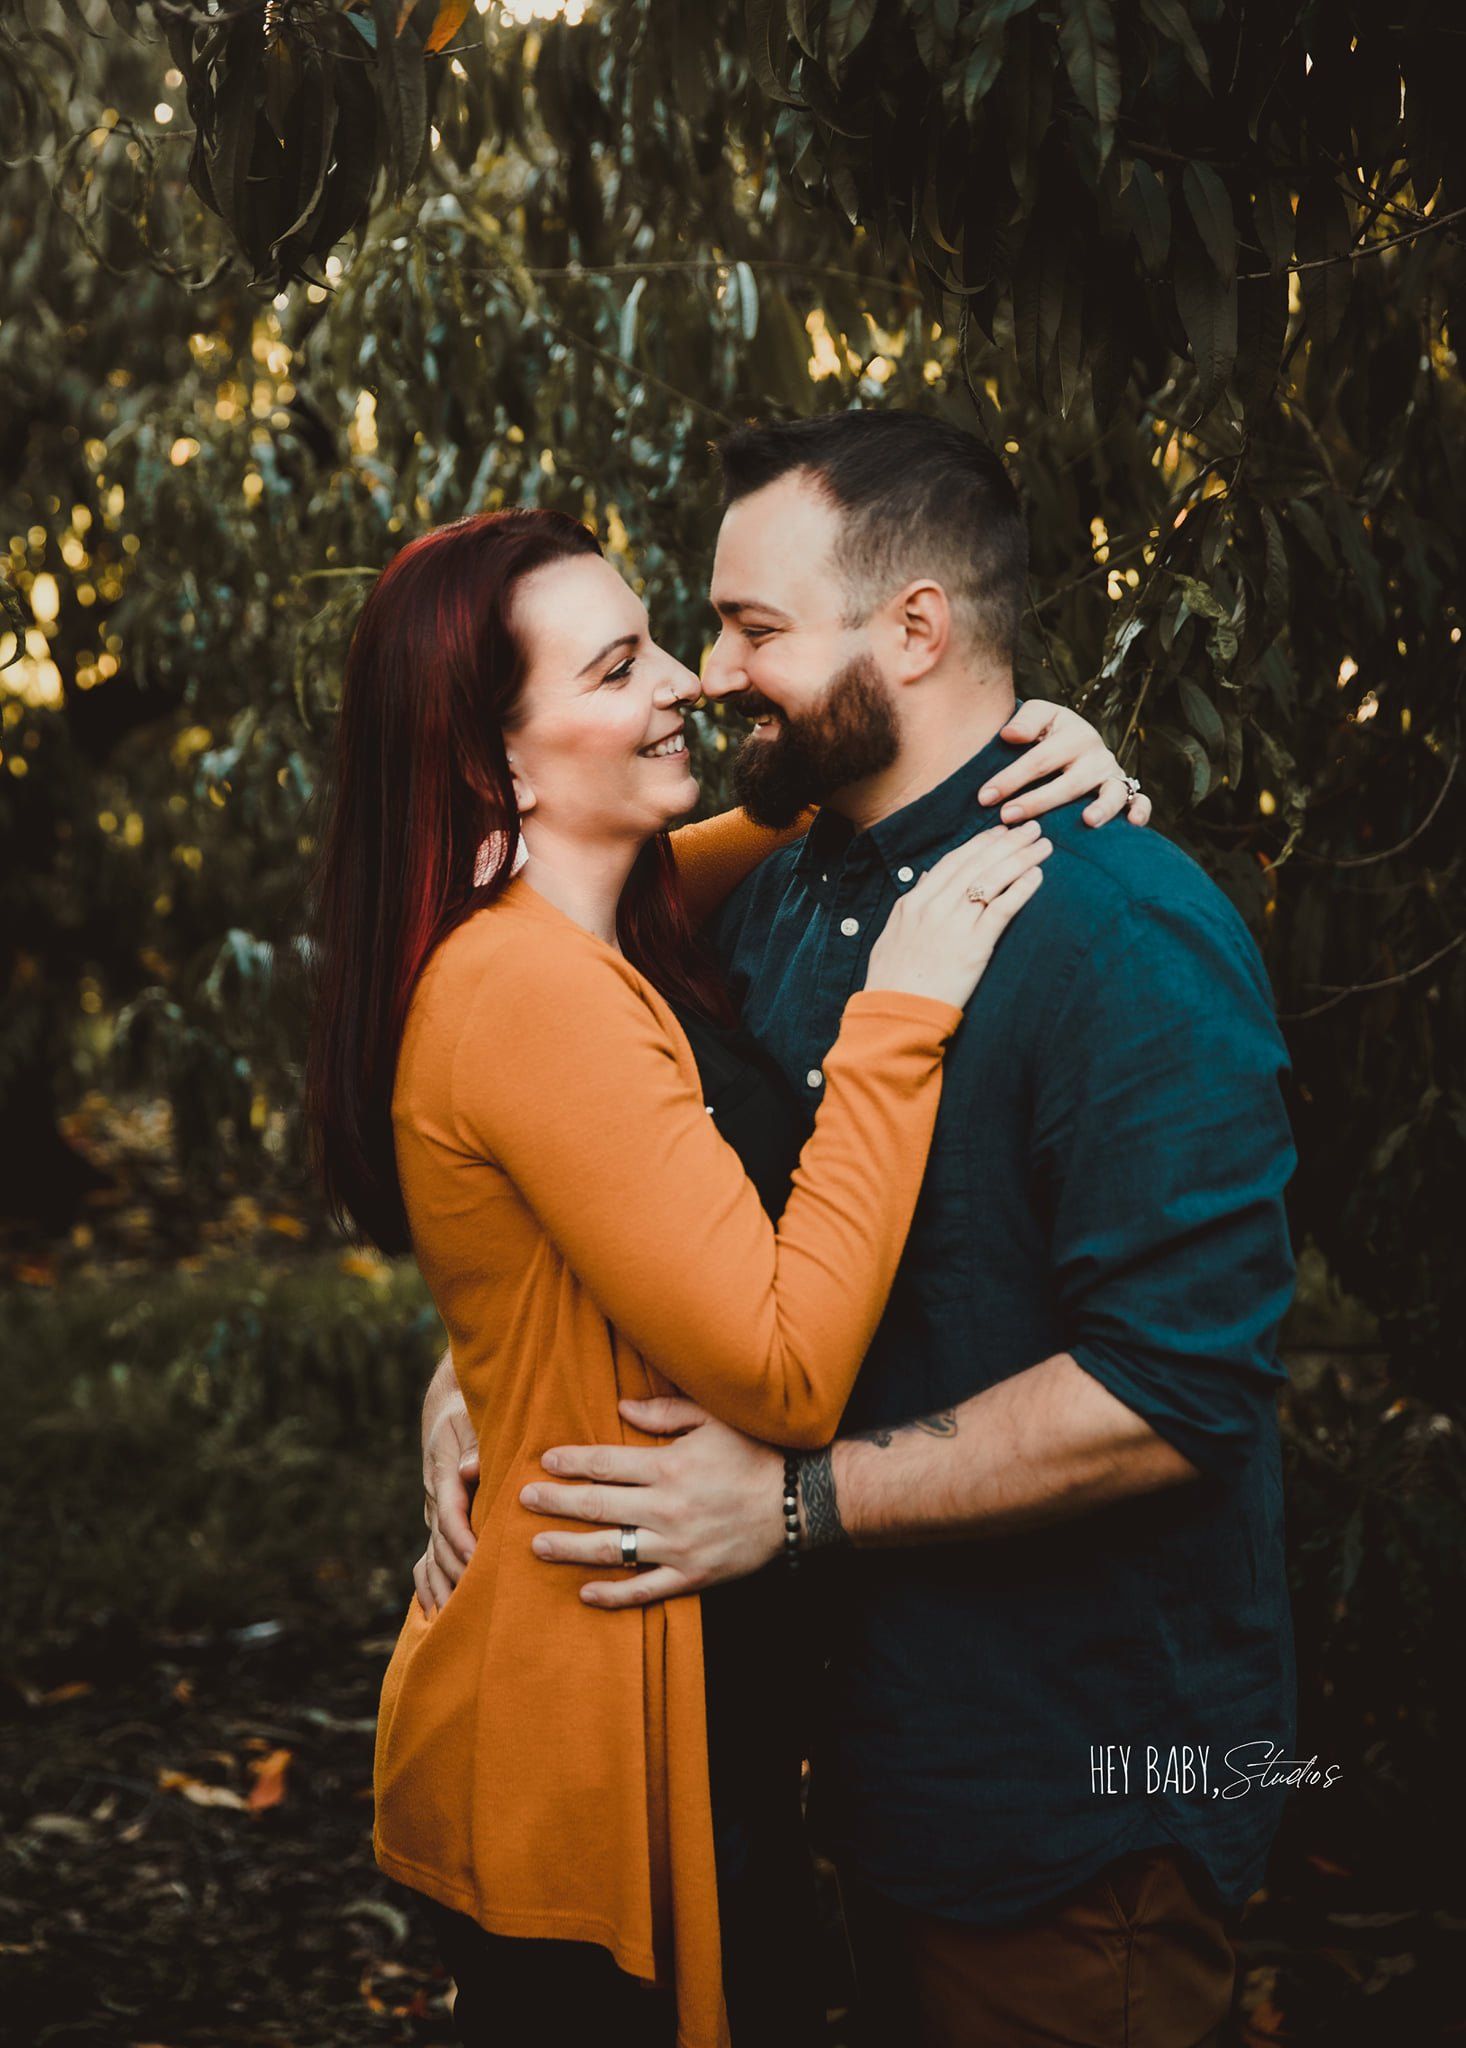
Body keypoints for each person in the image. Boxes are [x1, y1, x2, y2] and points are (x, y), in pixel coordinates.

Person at [421, 413, 1299, 2048]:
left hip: (1060, 1803)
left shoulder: (1122, 932)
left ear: (915, 628)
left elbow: (1171, 1393)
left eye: (753, 629)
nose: (711, 670)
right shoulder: (770, 893)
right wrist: (480, 1370)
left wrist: (795, 1510)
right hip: (832, 1772)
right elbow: (578, 1148)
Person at [304, 499, 1146, 2048]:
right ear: (496, 765)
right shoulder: (533, 989)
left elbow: (787, 812)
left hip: (666, 1676)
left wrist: (1022, 736)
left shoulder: (608, 922)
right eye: (621, 667)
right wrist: (899, 1015)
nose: (687, 678)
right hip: (583, 1744)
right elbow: (781, 1371)